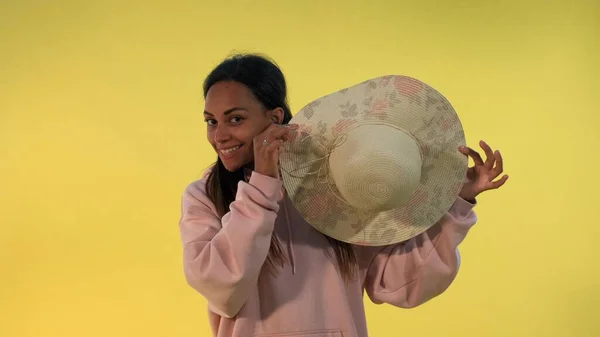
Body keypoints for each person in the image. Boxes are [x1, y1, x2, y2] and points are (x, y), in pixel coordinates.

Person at [178, 53, 508, 337]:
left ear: (275, 117)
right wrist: (262, 187)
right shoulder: (205, 196)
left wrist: (457, 203)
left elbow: (398, 283)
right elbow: (221, 287)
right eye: (211, 121)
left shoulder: (336, 182)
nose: (219, 135)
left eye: (235, 119)